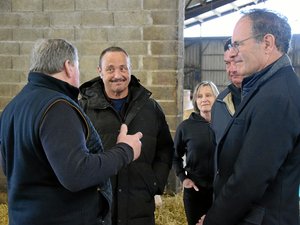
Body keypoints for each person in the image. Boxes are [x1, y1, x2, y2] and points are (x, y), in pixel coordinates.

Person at [0, 39, 143, 225]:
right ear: (68, 66)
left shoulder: (13, 107)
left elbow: (8, 165)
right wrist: (126, 150)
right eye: (77, 66)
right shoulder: (57, 106)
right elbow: (77, 173)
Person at [197, 8, 300, 225]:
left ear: (267, 43)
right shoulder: (266, 88)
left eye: (238, 44)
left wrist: (214, 220)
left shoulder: (277, 97)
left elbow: (249, 179)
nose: (232, 53)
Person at [79, 46, 174, 225]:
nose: (118, 75)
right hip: (98, 209)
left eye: (123, 68)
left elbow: (165, 149)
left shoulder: (150, 108)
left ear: (130, 70)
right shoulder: (83, 110)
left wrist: (154, 183)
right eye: (110, 69)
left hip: (139, 208)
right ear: (99, 71)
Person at [173, 81, 219, 225]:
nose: (204, 99)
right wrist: (183, 178)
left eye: (208, 95)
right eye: (199, 96)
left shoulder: (225, 124)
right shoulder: (185, 127)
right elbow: (175, 156)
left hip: (220, 192)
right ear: (195, 101)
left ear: (216, 98)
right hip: (195, 191)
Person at [211, 38, 244, 145]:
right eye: (227, 63)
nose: (232, 69)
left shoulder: (266, 98)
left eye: (237, 61)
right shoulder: (220, 103)